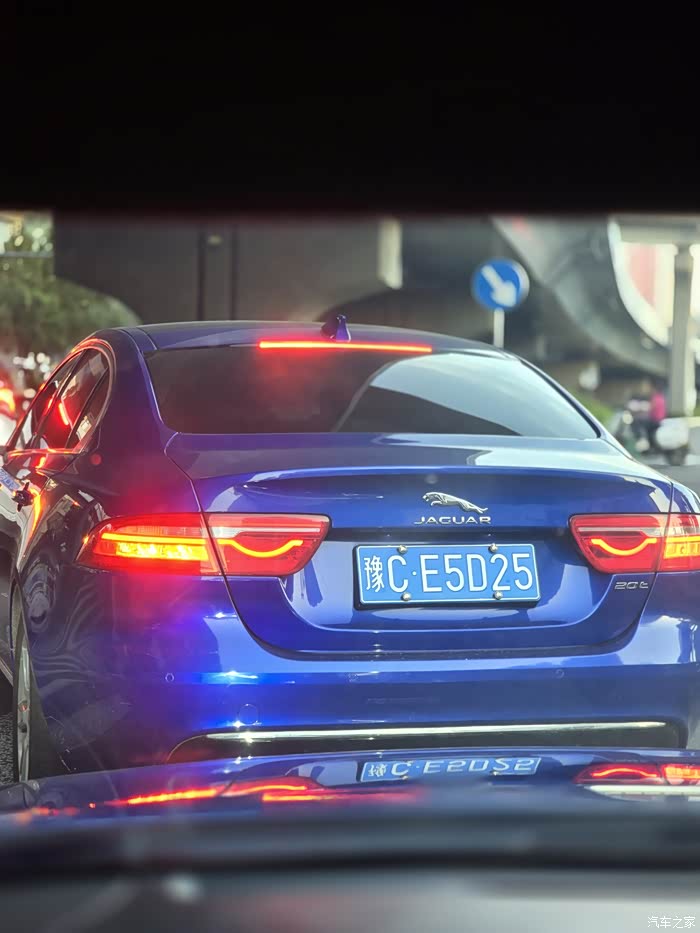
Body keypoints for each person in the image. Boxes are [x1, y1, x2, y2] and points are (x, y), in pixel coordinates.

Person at [647, 379, 667, 451]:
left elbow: (650, 408)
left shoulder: (655, 398)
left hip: (655, 420)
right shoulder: (661, 397)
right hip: (660, 420)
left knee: (639, 422)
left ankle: (643, 441)